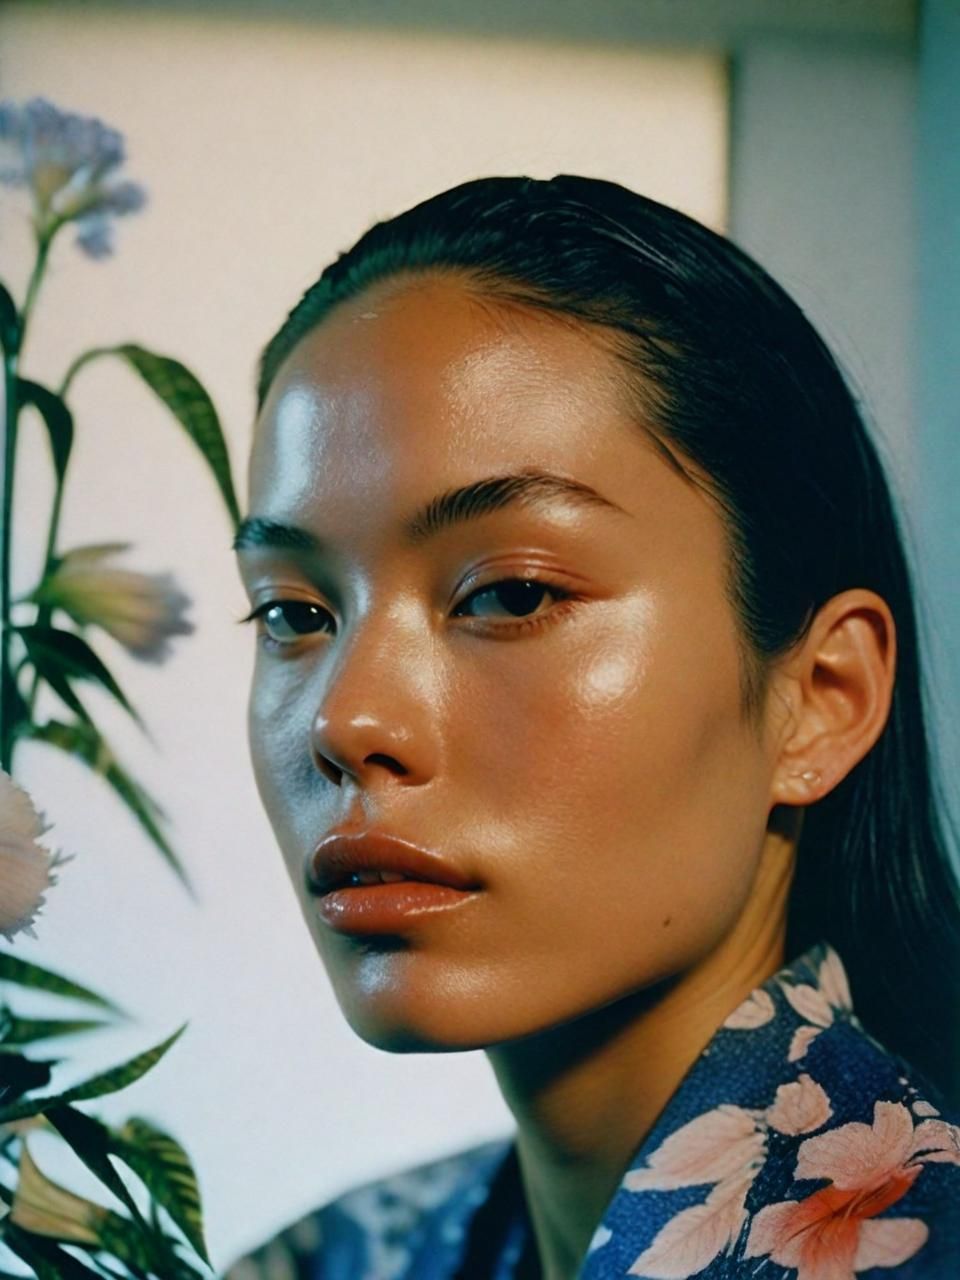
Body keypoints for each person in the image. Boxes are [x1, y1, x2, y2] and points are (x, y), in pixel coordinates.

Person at [223, 175, 960, 1280]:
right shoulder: (332, 1257)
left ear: (822, 696)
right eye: (294, 611)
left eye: (511, 593)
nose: (347, 716)